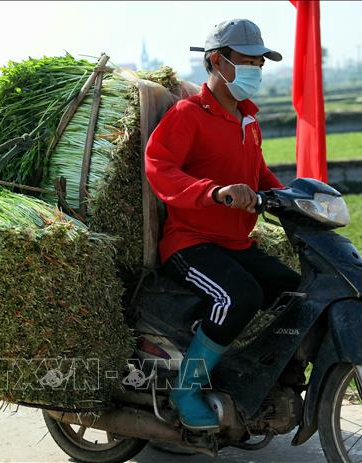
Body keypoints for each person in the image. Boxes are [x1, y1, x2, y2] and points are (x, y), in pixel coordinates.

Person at [144, 19, 301, 430]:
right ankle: (186, 389)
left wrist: (291, 199)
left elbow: (259, 173)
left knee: (298, 294)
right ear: (216, 61)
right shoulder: (188, 114)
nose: (255, 71)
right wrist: (213, 192)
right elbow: (158, 167)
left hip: (235, 242)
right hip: (190, 243)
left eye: (259, 63)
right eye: (247, 62)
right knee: (237, 297)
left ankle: (268, 380)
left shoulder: (248, 119)